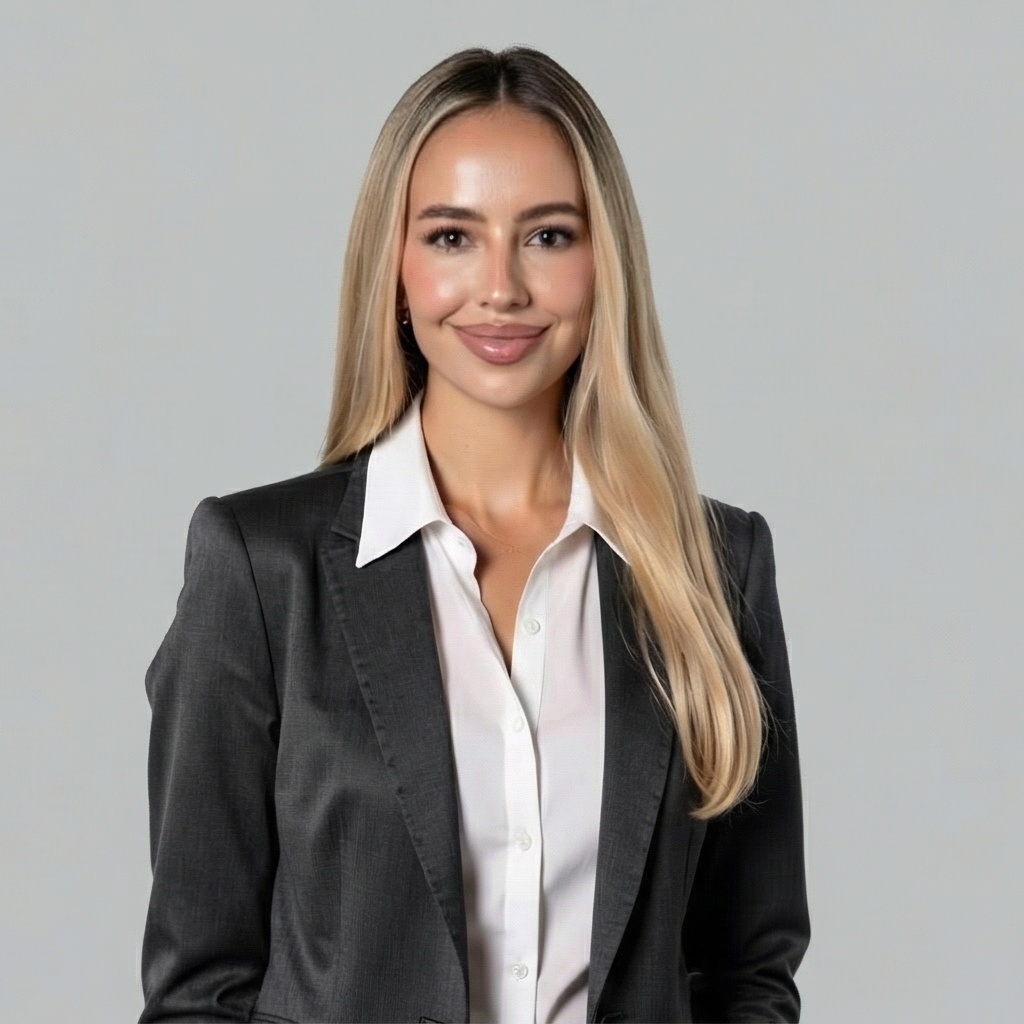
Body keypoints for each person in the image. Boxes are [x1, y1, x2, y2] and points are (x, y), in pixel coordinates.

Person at [139, 45, 810, 1024]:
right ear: (396, 267)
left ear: (605, 264)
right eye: (453, 236)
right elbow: (198, 990)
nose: (501, 287)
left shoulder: (714, 569)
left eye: (547, 236)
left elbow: (748, 970)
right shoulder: (260, 568)